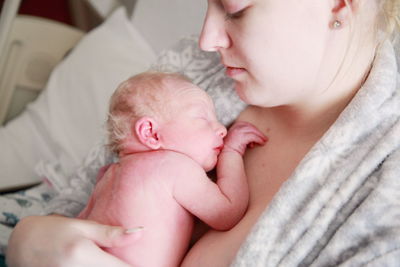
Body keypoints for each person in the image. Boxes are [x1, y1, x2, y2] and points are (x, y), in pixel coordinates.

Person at [6, 0, 400, 266]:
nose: (206, 38)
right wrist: (31, 239)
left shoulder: (385, 190)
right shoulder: (195, 71)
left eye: (234, 9)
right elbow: (80, 199)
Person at [75, 71, 266, 266]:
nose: (222, 129)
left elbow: (78, 227)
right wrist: (231, 152)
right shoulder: (172, 166)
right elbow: (227, 213)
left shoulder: (107, 177)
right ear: (151, 133)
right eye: (203, 119)